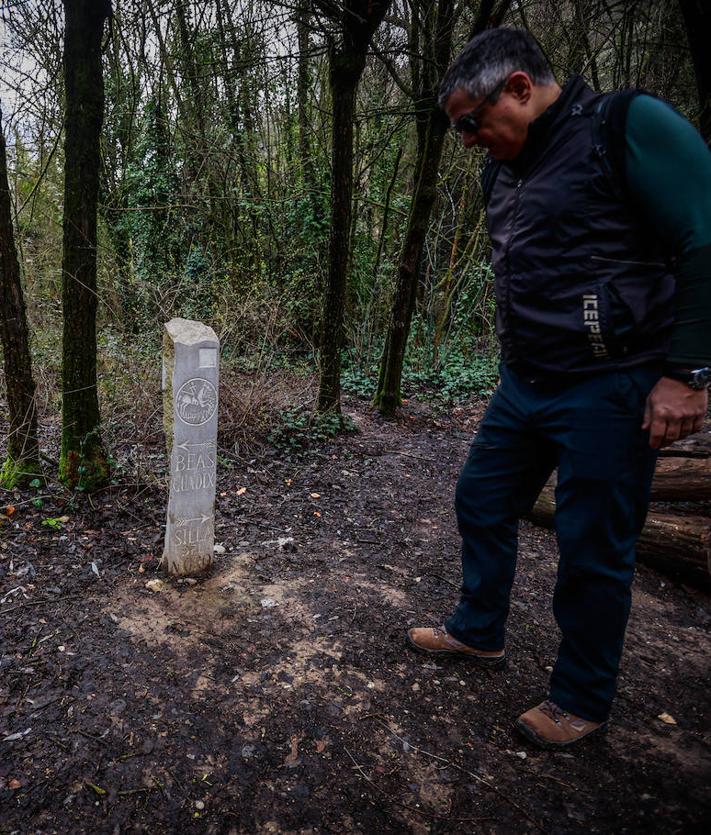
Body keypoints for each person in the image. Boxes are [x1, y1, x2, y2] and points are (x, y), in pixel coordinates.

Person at [407, 27, 711, 749]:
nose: (466, 141)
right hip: (526, 383)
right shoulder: (503, 169)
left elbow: (704, 238)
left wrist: (686, 373)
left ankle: (580, 697)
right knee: (480, 498)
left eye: (469, 124)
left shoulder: (625, 123)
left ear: (517, 87)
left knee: (591, 544)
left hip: (610, 386)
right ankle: (477, 631)